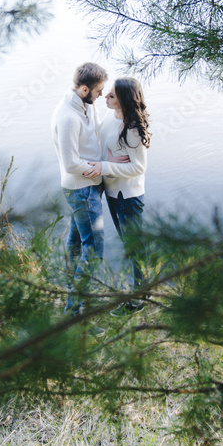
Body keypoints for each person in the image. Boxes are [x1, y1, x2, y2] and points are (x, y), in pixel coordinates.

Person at [91, 77, 150, 316]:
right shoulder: (108, 118)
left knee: (135, 246)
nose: (105, 96)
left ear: (124, 100)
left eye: (112, 95)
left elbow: (138, 168)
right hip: (112, 192)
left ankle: (140, 298)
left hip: (129, 196)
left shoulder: (132, 129)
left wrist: (104, 168)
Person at [51, 62, 107, 314]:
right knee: (94, 250)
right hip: (82, 190)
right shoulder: (67, 118)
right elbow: (71, 163)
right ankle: (75, 310)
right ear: (84, 89)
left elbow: (95, 132)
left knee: (76, 245)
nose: (101, 95)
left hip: (86, 189)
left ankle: (73, 300)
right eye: (98, 91)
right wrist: (99, 168)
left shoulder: (83, 105)